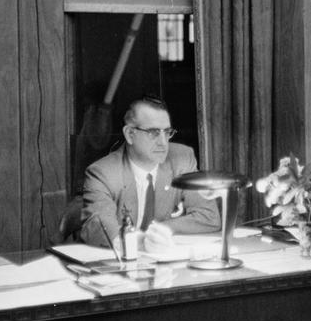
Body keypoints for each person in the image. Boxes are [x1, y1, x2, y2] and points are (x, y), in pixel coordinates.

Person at [80, 95, 220, 253]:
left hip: (165, 259)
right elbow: (99, 227)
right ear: (130, 134)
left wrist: (160, 231)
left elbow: (209, 216)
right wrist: (140, 242)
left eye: (167, 132)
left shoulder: (182, 159)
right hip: (121, 262)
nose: (163, 142)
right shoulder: (103, 172)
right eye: (153, 132)